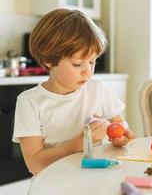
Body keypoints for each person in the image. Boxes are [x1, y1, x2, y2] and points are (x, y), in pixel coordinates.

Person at [12, 9, 135, 176]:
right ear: (48, 60)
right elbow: (35, 164)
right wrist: (77, 144)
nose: (87, 71)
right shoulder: (30, 101)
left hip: (95, 179)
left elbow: (120, 123)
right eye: (77, 64)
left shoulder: (97, 88)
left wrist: (120, 135)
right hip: (54, 185)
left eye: (92, 62)